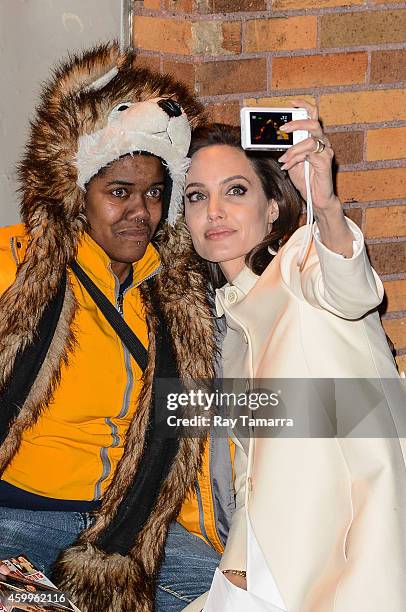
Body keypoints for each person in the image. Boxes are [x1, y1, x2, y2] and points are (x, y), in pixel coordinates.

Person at [0, 43, 231, 612]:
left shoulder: (179, 301)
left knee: (241, 597)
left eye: (155, 193)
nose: (140, 213)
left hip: (123, 531)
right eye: (119, 193)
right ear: (79, 193)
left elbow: (199, 431)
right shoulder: (15, 263)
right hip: (14, 518)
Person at [180, 104, 406, 611]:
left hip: (349, 562)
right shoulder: (217, 327)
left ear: (274, 207)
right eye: (198, 197)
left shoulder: (301, 267)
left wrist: (324, 205)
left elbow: (350, 288)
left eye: (235, 191)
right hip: (262, 569)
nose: (214, 211)